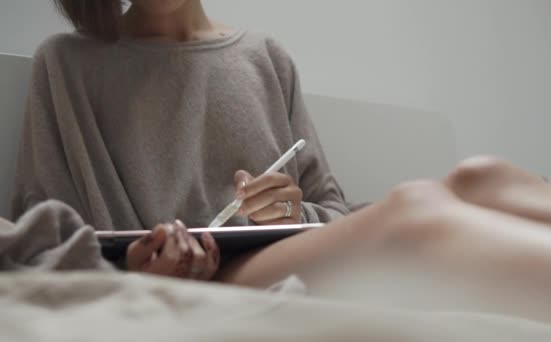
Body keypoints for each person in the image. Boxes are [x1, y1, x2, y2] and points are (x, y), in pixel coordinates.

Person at [12, 0, 350, 280]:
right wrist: (130, 268)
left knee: (402, 212)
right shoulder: (64, 65)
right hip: (134, 299)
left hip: (264, 283)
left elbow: (336, 218)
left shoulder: (268, 59)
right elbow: (40, 245)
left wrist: (293, 214)